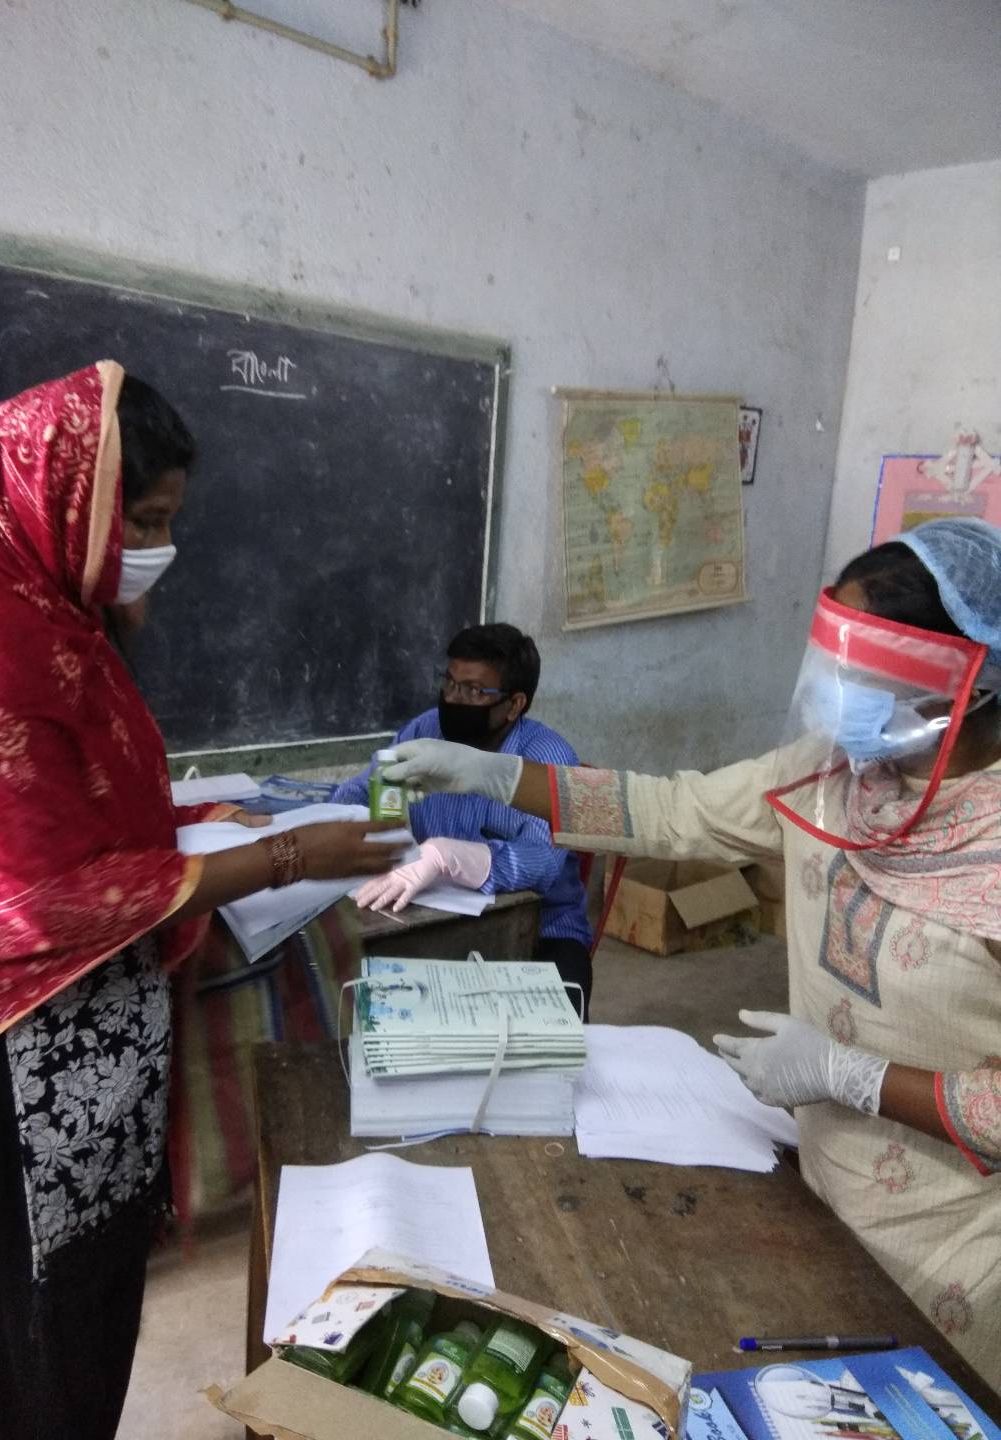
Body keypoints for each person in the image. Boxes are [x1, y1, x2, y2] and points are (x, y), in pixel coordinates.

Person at [379, 520, 1001, 1392]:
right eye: (836, 659)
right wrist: (494, 776)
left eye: (867, 668)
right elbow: (675, 811)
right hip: (819, 1182)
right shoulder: (836, 775)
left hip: (955, 1254)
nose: (839, 691)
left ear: (965, 681)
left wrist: (852, 1075)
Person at [0, 362, 403, 1440]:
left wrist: (199, 815)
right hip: (14, 1076)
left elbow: (80, 804)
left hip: (90, 1058)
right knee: (21, 1338)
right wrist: (286, 855)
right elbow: (39, 894)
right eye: (142, 519)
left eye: (169, 521)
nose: (158, 547)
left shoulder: (59, 624)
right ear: (59, 502)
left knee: (86, 1322)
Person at [333, 623, 594, 1011]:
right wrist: (346, 822)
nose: (453, 699)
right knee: (360, 1001)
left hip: (540, 930)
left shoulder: (549, 759)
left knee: (550, 1033)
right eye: (450, 683)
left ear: (514, 704)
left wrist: (448, 856)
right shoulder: (425, 729)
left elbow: (542, 863)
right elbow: (368, 789)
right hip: (430, 917)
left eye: (473, 691)